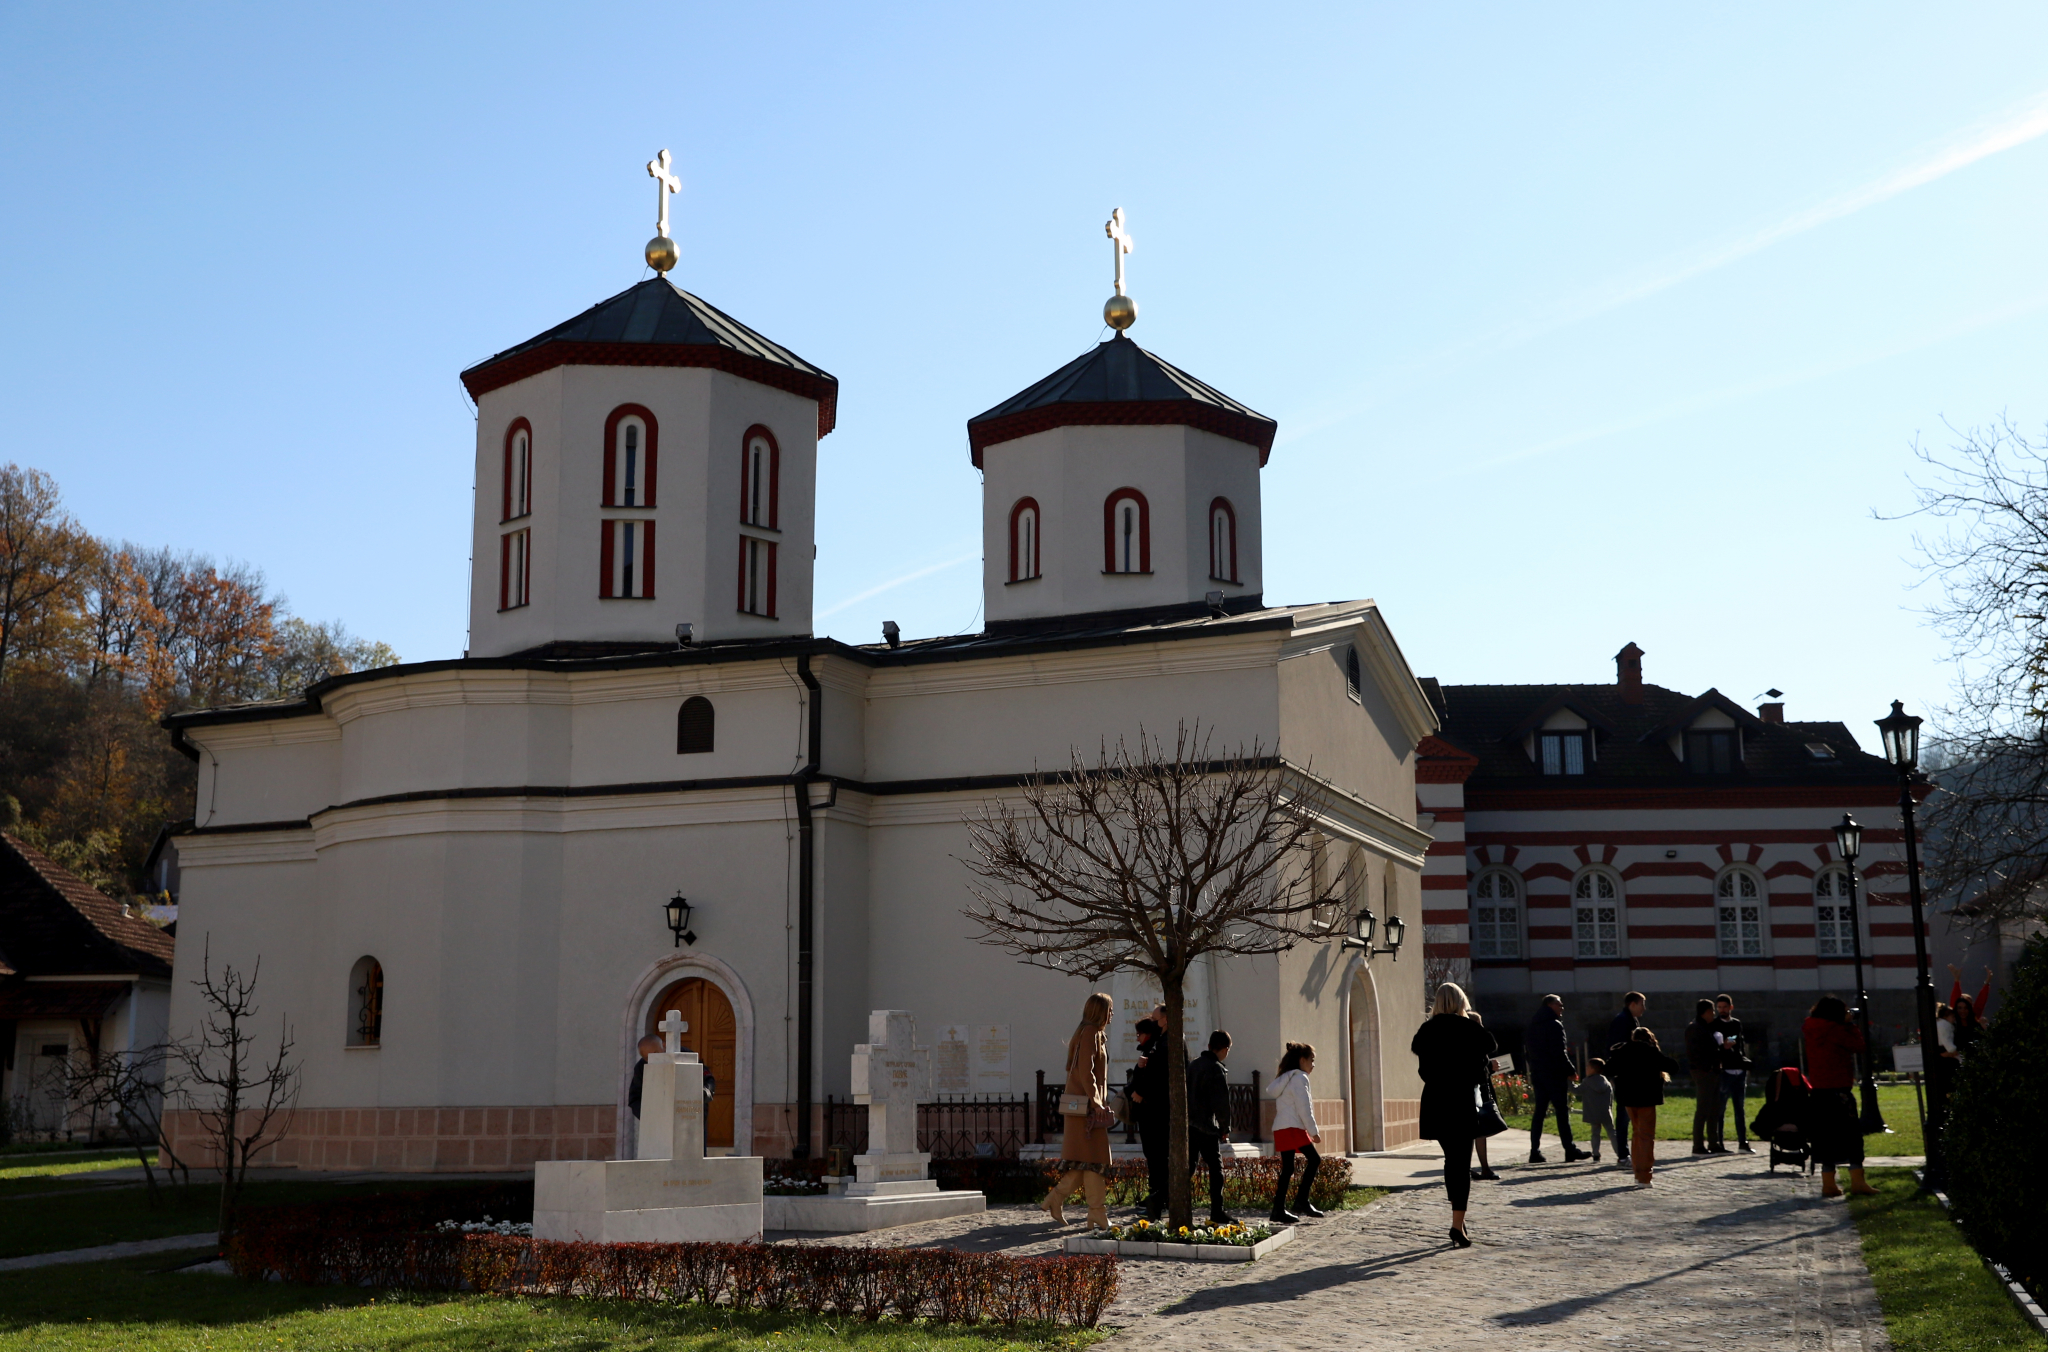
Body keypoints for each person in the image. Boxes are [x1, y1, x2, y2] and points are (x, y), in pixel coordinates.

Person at [1412, 982, 1496, 1248]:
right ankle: (1457, 1225)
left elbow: (1423, 1071)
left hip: (1436, 1101)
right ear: (1462, 1002)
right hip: (1461, 1101)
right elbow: (1489, 1046)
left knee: (1452, 1161)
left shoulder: (1427, 1030)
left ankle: (1458, 1218)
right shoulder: (1469, 1028)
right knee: (1461, 1164)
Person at [1042, 992, 1115, 1228]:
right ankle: (1095, 1212)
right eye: (1110, 1009)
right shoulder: (1091, 1033)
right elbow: (1087, 1072)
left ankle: (1061, 1200)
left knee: (1089, 1162)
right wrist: (1097, 1103)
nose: (1112, 1014)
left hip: (1085, 1108)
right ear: (1100, 1011)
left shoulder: (1092, 1033)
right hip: (1086, 1109)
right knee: (1094, 1160)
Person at [1802, 995, 1877, 1198]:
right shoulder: (1835, 1030)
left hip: (1819, 1092)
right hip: (1839, 1090)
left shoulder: (1810, 1026)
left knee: (1825, 1137)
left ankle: (1828, 1183)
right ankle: (1858, 1181)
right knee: (1852, 1136)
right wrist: (1851, 1024)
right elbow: (1859, 1046)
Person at [1607, 1026, 1679, 1187]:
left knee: (1636, 1134)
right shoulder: (1650, 1051)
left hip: (1628, 1099)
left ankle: (1637, 1172)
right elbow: (1672, 1067)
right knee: (1646, 1136)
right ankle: (1645, 1175)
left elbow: (1609, 1068)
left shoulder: (1623, 1050)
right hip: (1646, 1097)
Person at [1127, 1017, 1182, 1221]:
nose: (1137, 1038)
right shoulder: (1150, 1049)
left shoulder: (1156, 1050)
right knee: (1153, 1157)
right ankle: (1156, 1196)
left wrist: (1140, 1089)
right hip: (1149, 1114)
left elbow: (1155, 1081)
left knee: (1157, 1158)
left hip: (1154, 1114)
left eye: (1139, 1034)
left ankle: (1159, 1198)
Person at [1524, 995, 1588, 1163]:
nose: (1562, 1008)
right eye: (1559, 1005)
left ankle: (1534, 1151)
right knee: (1561, 1111)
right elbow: (1559, 1052)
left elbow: (1527, 1052)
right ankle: (1569, 1149)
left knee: (1539, 1112)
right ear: (1550, 1005)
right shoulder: (1554, 1025)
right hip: (1554, 1074)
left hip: (1538, 1073)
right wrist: (1570, 1070)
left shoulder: (1532, 1025)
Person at [1263, 1042, 1322, 1223]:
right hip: (1293, 1127)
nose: (1313, 1064)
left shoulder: (1285, 1078)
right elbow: (1304, 1108)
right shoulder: (1300, 1078)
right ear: (1301, 1060)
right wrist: (1314, 1132)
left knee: (1288, 1169)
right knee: (1314, 1160)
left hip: (1282, 1127)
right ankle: (1301, 1201)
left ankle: (1278, 1210)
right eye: (1311, 1060)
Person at [1187, 1030, 1236, 1225]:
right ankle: (1217, 1211)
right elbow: (1221, 1104)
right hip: (1206, 1127)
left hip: (1189, 1125)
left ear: (1208, 1046)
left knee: (1188, 1168)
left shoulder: (1193, 1065)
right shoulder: (1216, 1069)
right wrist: (1225, 1128)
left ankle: (1160, 1200)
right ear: (1225, 1049)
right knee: (1216, 1170)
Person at [1604, 993, 1644, 1164]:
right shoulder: (1622, 1021)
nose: (1644, 1008)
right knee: (1624, 1115)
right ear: (1633, 1004)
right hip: (1625, 1074)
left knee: (1631, 1114)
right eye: (1642, 1004)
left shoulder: (1631, 1020)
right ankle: (1623, 1155)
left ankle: (1630, 1152)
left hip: (1630, 1073)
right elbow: (1616, 1048)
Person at [1712, 994, 1754, 1154]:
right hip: (1725, 1071)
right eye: (1719, 1007)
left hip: (1739, 1069)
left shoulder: (1736, 1023)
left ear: (1731, 1007)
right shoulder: (1715, 1024)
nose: (1722, 1010)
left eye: (1724, 1007)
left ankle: (1743, 1142)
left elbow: (1738, 1041)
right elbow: (1717, 1046)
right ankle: (1719, 1143)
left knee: (1739, 1108)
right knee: (1720, 1109)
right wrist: (1724, 1047)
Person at [1468, 1009, 1506, 1181]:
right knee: (1474, 1130)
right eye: (1478, 1023)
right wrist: (1489, 1067)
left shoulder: (1476, 1042)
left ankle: (1484, 1168)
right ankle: (1480, 1168)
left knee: (1478, 1130)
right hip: (1474, 1090)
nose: (1482, 1027)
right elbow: (1476, 1066)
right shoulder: (1472, 1042)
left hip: (1479, 1088)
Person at [1684, 999, 1723, 1155]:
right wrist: (1706, 1068)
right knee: (1703, 1109)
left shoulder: (1711, 1027)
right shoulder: (1695, 1028)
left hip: (1713, 1071)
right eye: (1712, 1010)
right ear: (1705, 1012)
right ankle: (1698, 1144)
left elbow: (1735, 1036)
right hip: (1704, 1072)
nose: (1714, 1013)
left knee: (1714, 1109)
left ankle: (1713, 1143)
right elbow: (1694, 1053)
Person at [1575, 1057, 1619, 1163]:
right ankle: (1620, 1153)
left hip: (1593, 1113)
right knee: (1612, 1133)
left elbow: (1576, 1091)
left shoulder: (1587, 1082)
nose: (1586, 1068)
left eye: (1587, 1066)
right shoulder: (1606, 1082)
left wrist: (1569, 1082)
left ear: (1592, 1069)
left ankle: (1596, 1153)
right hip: (1606, 1112)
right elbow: (1611, 1098)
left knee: (1595, 1133)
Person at [626, 1033, 662, 1156]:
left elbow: (706, 1081)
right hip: (656, 1127)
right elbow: (634, 1099)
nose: (652, 1060)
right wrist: (649, 1117)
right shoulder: (641, 1068)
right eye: (647, 1058)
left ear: (662, 1048)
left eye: (656, 1054)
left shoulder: (684, 1056)